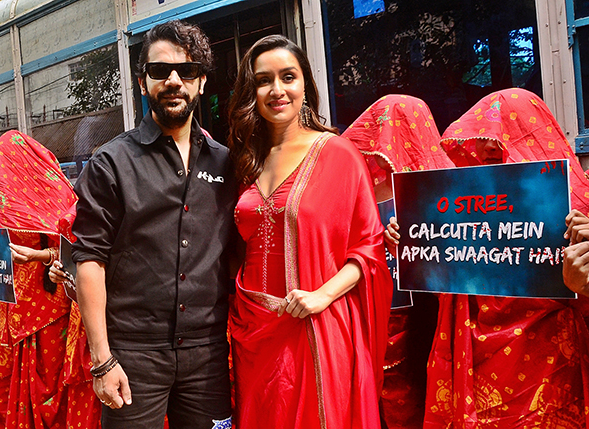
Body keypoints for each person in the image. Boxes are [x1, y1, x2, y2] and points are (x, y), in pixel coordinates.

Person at [70, 20, 237, 428]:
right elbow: (89, 259)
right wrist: (102, 359)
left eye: (187, 70)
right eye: (160, 71)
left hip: (207, 355)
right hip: (132, 355)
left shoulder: (226, 163)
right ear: (143, 82)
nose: (174, 81)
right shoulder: (112, 163)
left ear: (201, 82)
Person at [226, 35, 392, 429]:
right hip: (253, 330)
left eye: (288, 77)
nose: (277, 90)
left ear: (305, 85)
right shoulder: (246, 161)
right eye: (264, 80)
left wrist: (322, 295)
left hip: (314, 323)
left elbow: (369, 247)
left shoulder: (337, 154)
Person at [418, 88, 589, 428]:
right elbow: (443, 287)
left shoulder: (579, 209)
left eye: (502, 135)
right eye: (480, 137)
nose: (489, 146)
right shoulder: (459, 213)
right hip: (480, 372)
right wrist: (413, 242)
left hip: (552, 370)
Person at [0, 129, 97, 429]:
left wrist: (39, 256)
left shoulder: (54, 195)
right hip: (12, 311)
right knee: (19, 391)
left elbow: (74, 252)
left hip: (51, 308)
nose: (0, 178)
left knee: (51, 385)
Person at [342, 94, 452, 428]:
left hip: (426, 318)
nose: (386, 142)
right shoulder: (356, 187)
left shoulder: (447, 189)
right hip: (368, 313)